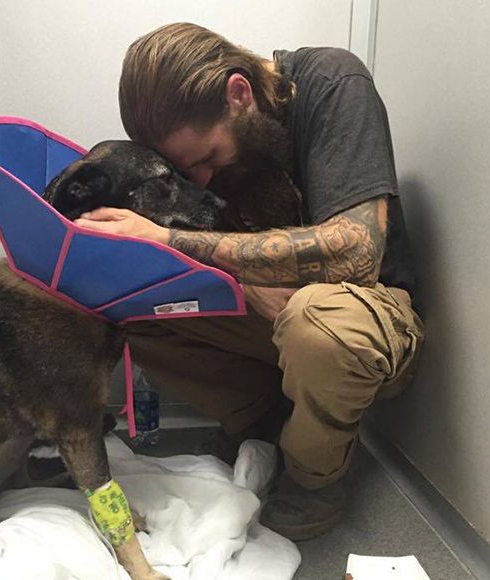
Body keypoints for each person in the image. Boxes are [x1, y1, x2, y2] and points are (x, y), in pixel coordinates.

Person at [75, 22, 424, 541]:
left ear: (239, 94)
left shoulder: (332, 81)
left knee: (316, 323)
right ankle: (267, 430)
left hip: (366, 317)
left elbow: (358, 251)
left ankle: (313, 478)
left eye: (209, 158)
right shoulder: (213, 155)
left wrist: (170, 241)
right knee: (119, 303)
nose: (206, 181)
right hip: (270, 314)